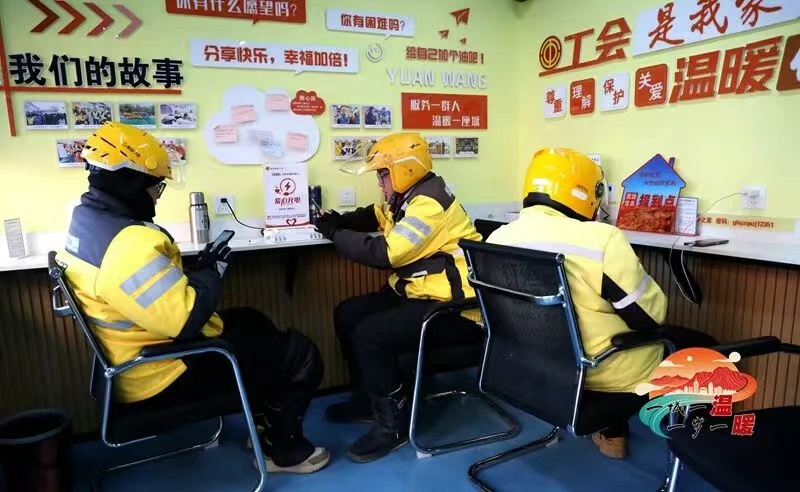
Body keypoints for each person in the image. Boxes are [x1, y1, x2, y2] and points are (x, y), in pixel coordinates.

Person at [58, 122, 329, 474]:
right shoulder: (128, 242)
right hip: (161, 374)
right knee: (302, 354)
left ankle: (269, 429)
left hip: (134, 359)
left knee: (252, 320)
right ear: (131, 183)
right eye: (155, 185)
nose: (157, 195)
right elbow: (186, 321)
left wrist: (200, 273)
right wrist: (211, 273)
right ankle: (286, 452)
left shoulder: (87, 223)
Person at [486, 148, 717, 459]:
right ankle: (700, 451)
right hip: (598, 373)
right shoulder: (600, 239)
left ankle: (612, 432)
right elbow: (649, 317)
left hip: (529, 365)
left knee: (601, 325)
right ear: (585, 193)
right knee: (707, 349)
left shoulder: (498, 238)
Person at [314, 133, 484, 463]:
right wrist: (340, 220)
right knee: (348, 313)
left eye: (383, 174)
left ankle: (392, 425)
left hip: (454, 309)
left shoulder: (429, 204)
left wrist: (336, 233)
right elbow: (378, 214)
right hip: (424, 297)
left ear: (405, 170)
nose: (380, 182)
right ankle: (368, 400)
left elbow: (386, 253)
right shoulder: (409, 197)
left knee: (369, 333)